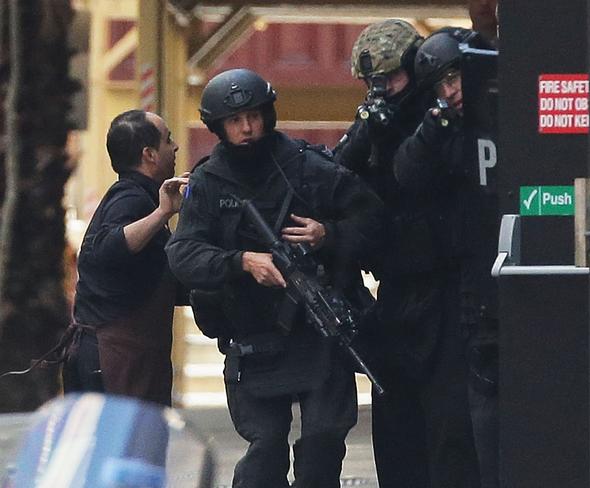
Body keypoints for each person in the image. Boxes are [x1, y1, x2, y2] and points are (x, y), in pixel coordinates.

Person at [165, 68, 383, 488]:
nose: (247, 128)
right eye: (234, 120)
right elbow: (183, 253)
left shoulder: (308, 166)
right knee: (265, 451)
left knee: (322, 441)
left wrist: (328, 234)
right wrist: (242, 261)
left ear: (268, 113)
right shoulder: (209, 182)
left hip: (319, 336)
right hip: (254, 340)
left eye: (254, 116)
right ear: (218, 126)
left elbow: (374, 220)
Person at [334, 19, 480, 488]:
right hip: (396, 292)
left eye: (391, 79)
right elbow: (338, 176)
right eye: (373, 83)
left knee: (449, 429)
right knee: (396, 431)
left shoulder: (445, 115)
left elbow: (419, 174)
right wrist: (369, 128)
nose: (383, 90)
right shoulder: (378, 120)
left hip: (448, 287)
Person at [394, 28, 500, 488]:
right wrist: (433, 127)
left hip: (522, 279)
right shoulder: (440, 129)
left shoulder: (506, 114)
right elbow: (406, 172)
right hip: (473, 294)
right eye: (441, 84)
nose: (451, 91)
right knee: (476, 424)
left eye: (455, 77)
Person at [62, 109, 188, 407]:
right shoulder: (131, 199)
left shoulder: (136, 196)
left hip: (114, 358)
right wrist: (163, 213)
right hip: (114, 361)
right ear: (150, 154)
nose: (176, 147)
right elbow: (106, 248)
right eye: (168, 140)